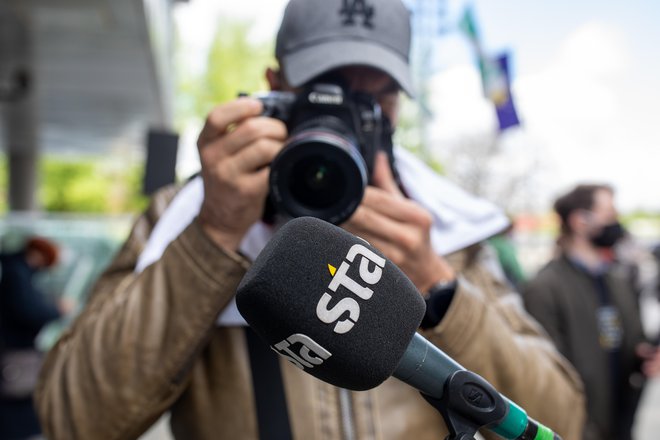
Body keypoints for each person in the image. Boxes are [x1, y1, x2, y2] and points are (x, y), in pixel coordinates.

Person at [35, 1, 585, 439]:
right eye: (328, 92)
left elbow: (560, 419)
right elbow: (74, 420)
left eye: (376, 102)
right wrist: (215, 237)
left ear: (399, 105)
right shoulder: (185, 217)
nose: (348, 120)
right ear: (276, 87)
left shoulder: (445, 227)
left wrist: (437, 285)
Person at [522, 184, 660, 440]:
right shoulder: (544, 288)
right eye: (608, 212)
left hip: (620, 424)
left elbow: (631, 340)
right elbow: (547, 376)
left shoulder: (617, 281)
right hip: (575, 430)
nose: (616, 221)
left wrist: (644, 356)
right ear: (579, 221)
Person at [0, 236, 74, 440]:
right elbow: (27, 310)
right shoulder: (16, 273)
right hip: (14, 353)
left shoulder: (14, 270)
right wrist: (57, 310)